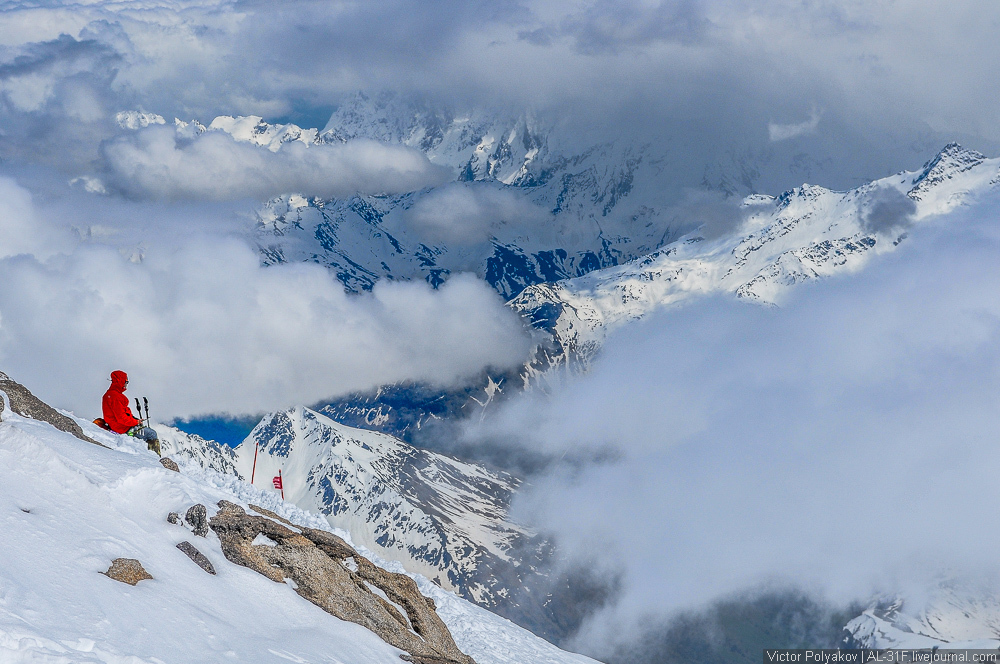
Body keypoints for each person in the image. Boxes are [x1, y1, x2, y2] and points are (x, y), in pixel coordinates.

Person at [102, 370, 160, 456]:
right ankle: (155, 459)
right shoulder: (116, 397)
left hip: (117, 426)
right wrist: (136, 422)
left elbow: (122, 415)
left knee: (143, 429)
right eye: (126, 381)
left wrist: (134, 420)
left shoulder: (110, 394)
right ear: (120, 381)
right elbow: (121, 418)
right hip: (123, 429)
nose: (126, 384)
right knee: (151, 434)